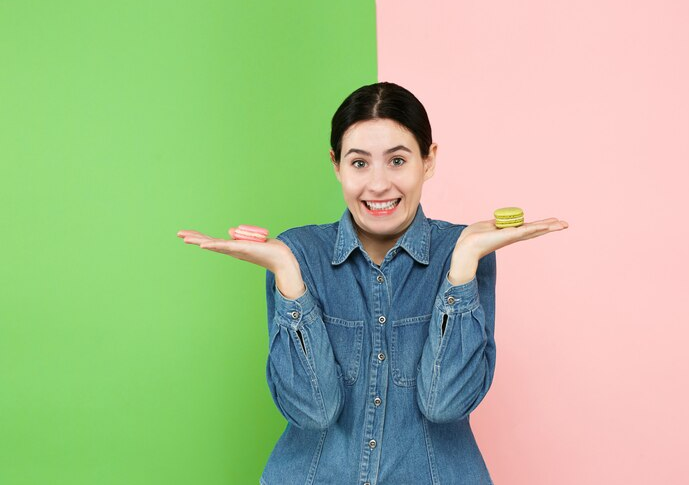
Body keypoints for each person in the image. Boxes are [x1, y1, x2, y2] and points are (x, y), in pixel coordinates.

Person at [177, 82, 568, 484]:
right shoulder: (296, 253)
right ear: (336, 165)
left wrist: (463, 265)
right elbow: (313, 411)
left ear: (428, 160)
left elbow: (445, 403)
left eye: (397, 161)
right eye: (359, 163)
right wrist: (288, 277)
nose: (378, 185)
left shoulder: (466, 249)